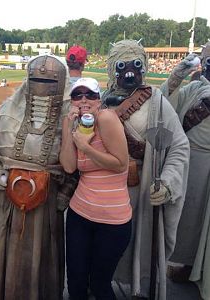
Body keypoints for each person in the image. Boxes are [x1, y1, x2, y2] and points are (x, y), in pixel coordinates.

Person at [0, 54, 74, 300]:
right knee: (6, 259)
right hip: (6, 201)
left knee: (41, 262)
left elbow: (78, 164)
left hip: (46, 205)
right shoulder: (9, 109)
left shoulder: (71, 116)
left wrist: (63, 194)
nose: (43, 85)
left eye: (50, 80)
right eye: (37, 78)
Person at [101, 39, 190, 299]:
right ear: (112, 69)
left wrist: (168, 182)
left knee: (138, 246)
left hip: (140, 188)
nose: (130, 71)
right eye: (122, 65)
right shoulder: (102, 101)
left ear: (144, 66)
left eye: (136, 64)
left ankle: (141, 287)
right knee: (104, 249)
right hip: (103, 191)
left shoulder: (157, 104)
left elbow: (178, 147)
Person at [60, 77, 132, 299]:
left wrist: (86, 148)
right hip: (79, 216)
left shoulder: (106, 118)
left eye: (90, 94)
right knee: (76, 281)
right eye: (77, 95)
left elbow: (121, 164)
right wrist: (67, 127)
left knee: (100, 284)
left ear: (98, 99)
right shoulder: (78, 126)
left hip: (112, 222)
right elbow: (70, 166)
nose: (84, 99)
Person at [161, 42, 210, 300]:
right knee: (187, 220)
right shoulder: (195, 89)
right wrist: (177, 75)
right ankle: (186, 266)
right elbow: (166, 102)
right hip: (191, 163)